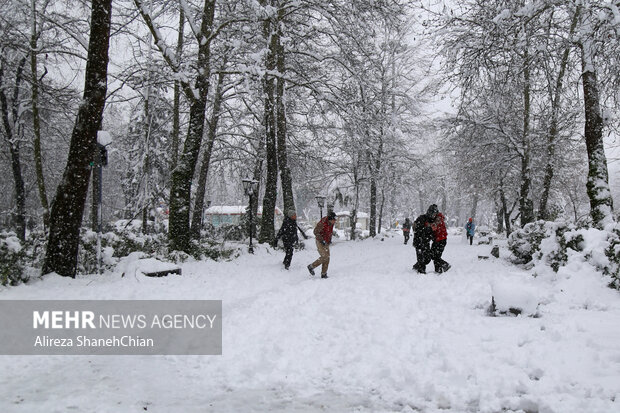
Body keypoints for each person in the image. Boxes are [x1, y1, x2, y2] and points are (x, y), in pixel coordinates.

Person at [307, 211, 337, 279]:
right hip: (319, 241)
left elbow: (330, 232)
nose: (335, 221)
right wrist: (321, 240)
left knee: (327, 258)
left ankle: (324, 274)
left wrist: (329, 240)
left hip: (326, 242)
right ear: (330, 219)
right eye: (334, 220)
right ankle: (311, 266)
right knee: (324, 256)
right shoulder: (323, 223)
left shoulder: (331, 223)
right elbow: (315, 231)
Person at [427, 204, 451, 273]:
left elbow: (433, 227)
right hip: (437, 239)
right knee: (433, 255)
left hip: (441, 240)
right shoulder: (436, 218)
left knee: (436, 256)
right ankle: (438, 269)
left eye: (433, 213)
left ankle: (445, 265)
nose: (432, 215)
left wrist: (427, 226)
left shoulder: (438, 218)